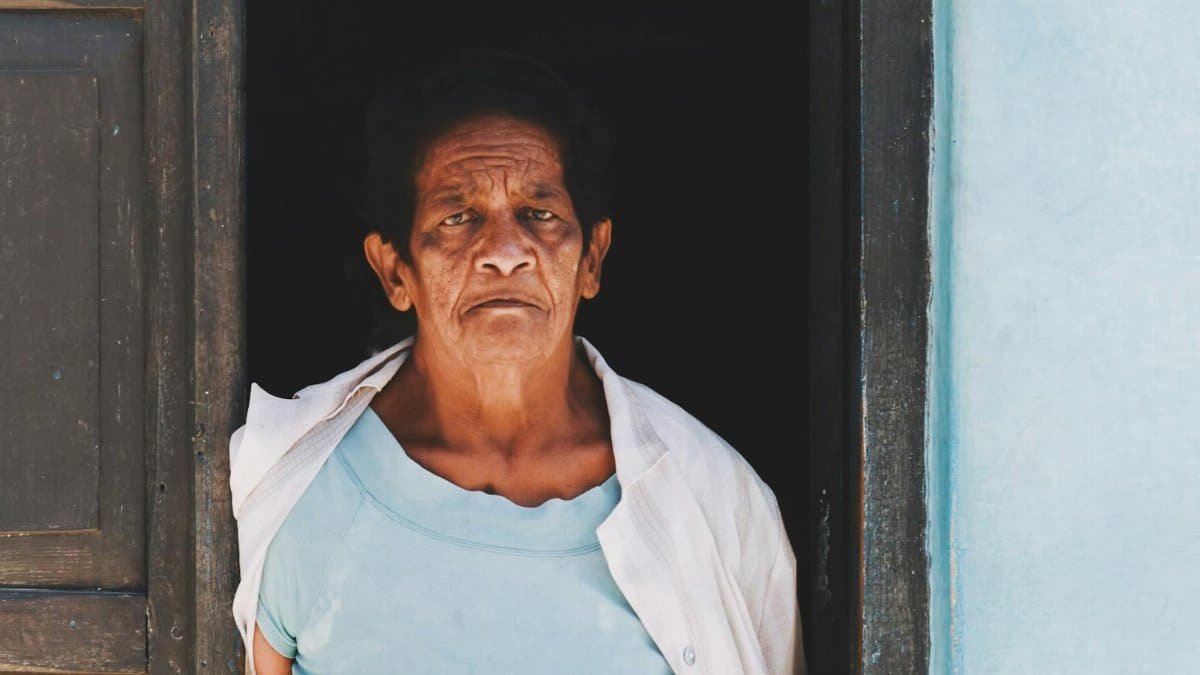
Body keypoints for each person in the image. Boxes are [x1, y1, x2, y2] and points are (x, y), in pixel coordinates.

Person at [229, 49, 804, 675]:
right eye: (458, 217)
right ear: (396, 272)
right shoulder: (299, 493)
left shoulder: (712, 499)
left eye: (540, 215)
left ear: (592, 261)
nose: (505, 252)